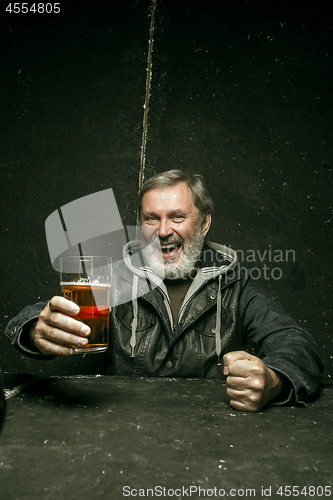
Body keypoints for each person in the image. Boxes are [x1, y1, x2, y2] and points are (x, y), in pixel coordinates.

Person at [5, 170, 323, 412]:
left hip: (213, 432)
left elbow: (298, 345)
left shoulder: (236, 284)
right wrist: (37, 329)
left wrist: (274, 381)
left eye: (177, 217)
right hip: (120, 429)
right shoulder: (116, 277)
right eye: (151, 219)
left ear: (205, 222)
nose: (163, 231)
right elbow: (51, 314)